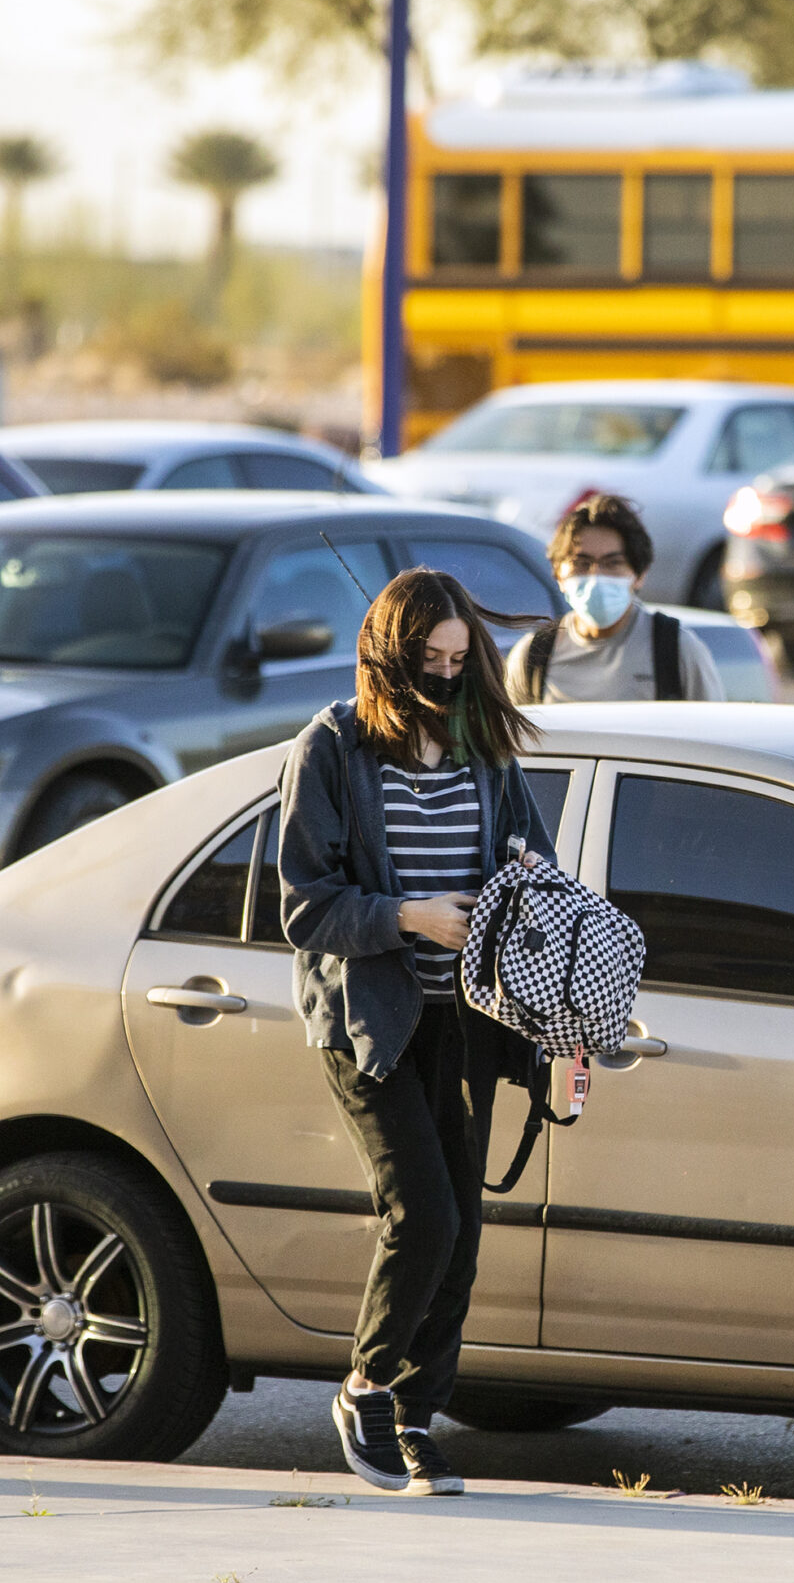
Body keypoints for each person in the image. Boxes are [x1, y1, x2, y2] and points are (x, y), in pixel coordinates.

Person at [279, 567, 556, 1497]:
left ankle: (413, 1419)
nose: (446, 676)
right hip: (372, 1021)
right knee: (423, 1214)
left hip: (467, 1019)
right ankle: (363, 1384)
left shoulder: (484, 745)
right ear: (392, 661)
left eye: (458, 659)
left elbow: (538, 865)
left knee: (464, 1231)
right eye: (429, 661)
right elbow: (305, 908)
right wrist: (408, 917)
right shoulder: (333, 747)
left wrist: (526, 905)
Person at [504, 493, 725, 704]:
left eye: (613, 563)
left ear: (639, 575)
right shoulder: (533, 657)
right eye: (582, 563)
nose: (596, 576)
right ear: (558, 573)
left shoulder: (675, 650)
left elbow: (713, 734)